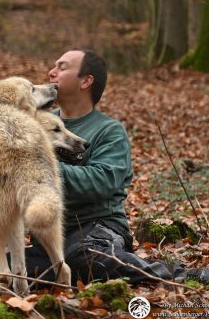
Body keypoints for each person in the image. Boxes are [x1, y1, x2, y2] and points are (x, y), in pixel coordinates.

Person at [26, 49, 179, 285]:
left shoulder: (109, 131)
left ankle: (175, 275)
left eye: (62, 67)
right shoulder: (37, 122)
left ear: (86, 81)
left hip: (96, 229)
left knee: (84, 258)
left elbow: (102, 181)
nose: (51, 72)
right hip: (49, 238)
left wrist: (40, 168)